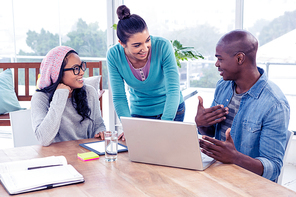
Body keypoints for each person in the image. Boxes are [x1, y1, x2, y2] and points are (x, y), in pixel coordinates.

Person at [195, 30, 290, 181]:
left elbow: (273, 168)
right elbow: (211, 132)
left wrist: (235, 158)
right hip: (217, 174)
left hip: (249, 184)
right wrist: (201, 123)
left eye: (220, 59)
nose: (216, 64)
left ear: (240, 58)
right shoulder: (223, 86)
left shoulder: (275, 104)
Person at [107, 5, 185, 141]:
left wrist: (165, 123)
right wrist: (128, 126)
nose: (145, 48)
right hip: (140, 113)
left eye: (147, 40)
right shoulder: (114, 55)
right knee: (140, 157)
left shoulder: (163, 46)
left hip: (171, 109)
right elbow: (119, 97)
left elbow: (173, 90)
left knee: (167, 154)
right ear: (122, 43)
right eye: (137, 45)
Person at [31, 46, 106, 146]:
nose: (82, 72)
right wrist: (60, 95)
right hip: (56, 157)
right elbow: (43, 139)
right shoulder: (40, 98)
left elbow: (98, 124)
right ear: (58, 73)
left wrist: (100, 131)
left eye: (81, 66)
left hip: (85, 155)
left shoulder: (89, 92)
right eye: (75, 68)